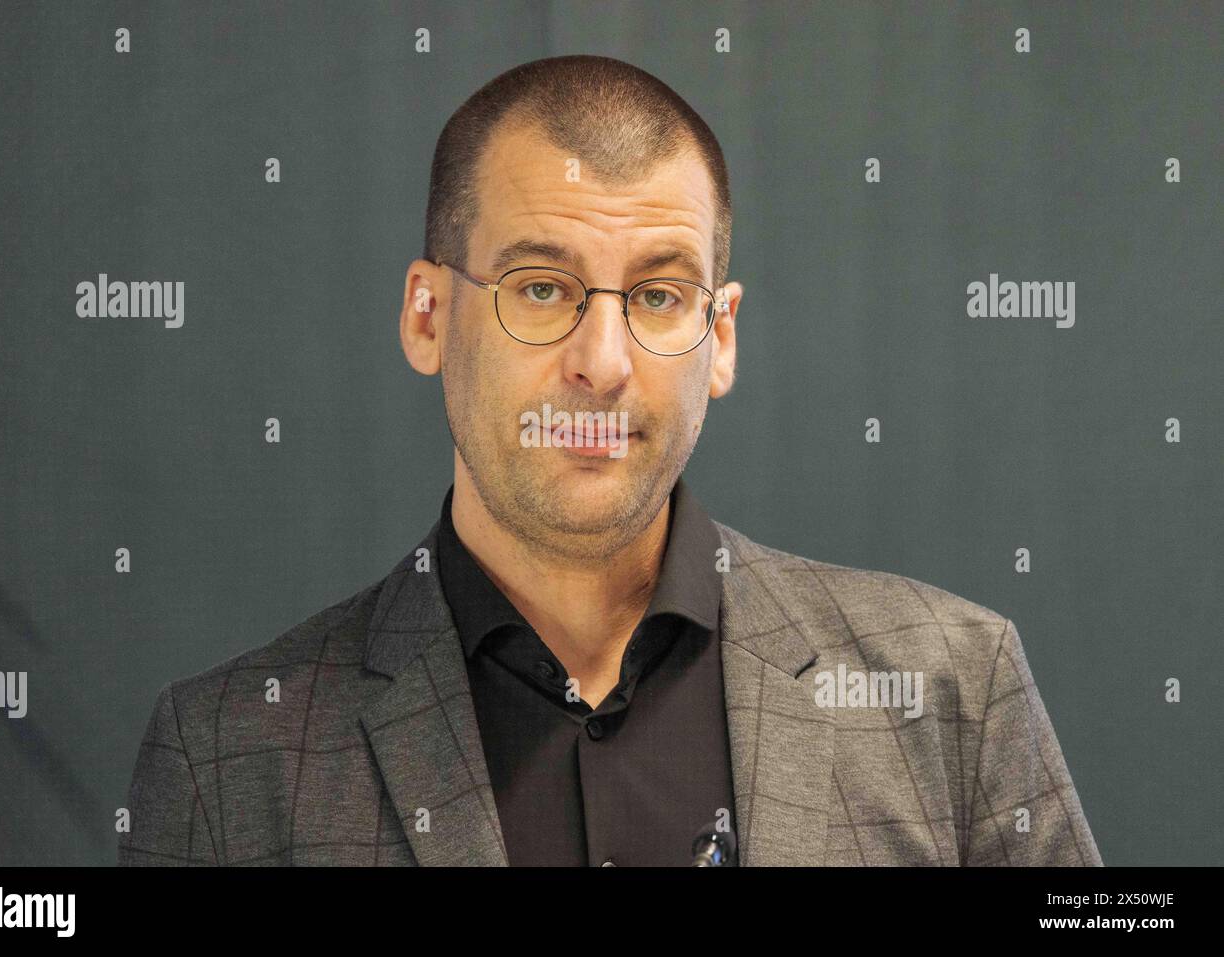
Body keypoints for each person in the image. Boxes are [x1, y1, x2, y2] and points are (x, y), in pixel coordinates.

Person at [119, 54, 1101, 867]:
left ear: (720, 339)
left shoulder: (952, 691)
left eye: (660, 297)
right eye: (540, 289)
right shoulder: (227, 759)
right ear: (427, 314)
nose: (601, 363)